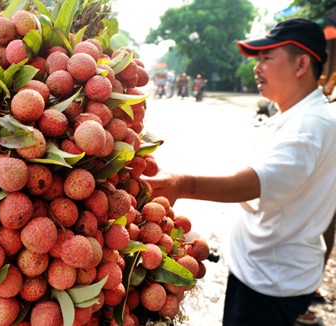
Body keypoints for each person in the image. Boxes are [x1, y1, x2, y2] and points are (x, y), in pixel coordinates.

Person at [142, 18, 335, 326]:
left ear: (301, 64)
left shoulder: (310, 127)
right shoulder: (300, 113)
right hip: (273, 272)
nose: (257, 68)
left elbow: (256, 181)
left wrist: (183, 184)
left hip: (269, 284)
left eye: (266, 59)